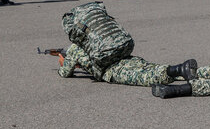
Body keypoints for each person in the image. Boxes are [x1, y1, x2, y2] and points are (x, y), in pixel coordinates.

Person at [58, 43, 199, 86]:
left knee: (146, 77)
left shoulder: (75, 48)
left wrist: (63, 62)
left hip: (113, 70)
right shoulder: (98, 40)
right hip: (127, 59)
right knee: (152, 67)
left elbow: (66, 73)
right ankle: (203, 72)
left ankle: (180, 69)